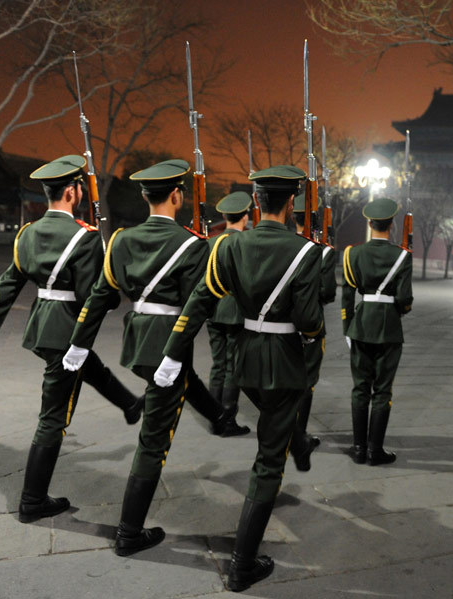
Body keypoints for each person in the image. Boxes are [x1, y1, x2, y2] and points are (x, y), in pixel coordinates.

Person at [154, 165, 321, 592]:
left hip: (244, 361)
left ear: (257, 201)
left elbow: (201, 299)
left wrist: (173, 352)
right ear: (290, 202)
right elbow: (308, 321)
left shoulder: (229, 248)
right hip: (283, 362)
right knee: (268, 460)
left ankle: (297, 441)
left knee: (275, 419)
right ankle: (242, 565)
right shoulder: (305, 252)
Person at [0, 155, 141, 524]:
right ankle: (32, 501)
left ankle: (129, 404)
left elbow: (10, 281)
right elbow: (93, 296)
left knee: (87, 367)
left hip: (42, 326)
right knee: (53, 418)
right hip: (66, 332)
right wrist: (109, 286)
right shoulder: (85, 237)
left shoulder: (27, 233)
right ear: (74, 192)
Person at [62, 159, 227, 556]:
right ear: (177, 195)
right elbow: (198, 308)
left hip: (137, 341)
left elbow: (102, 297)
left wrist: (79, 344)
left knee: (172, 399)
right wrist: (173, 353)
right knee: (154, 442)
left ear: (144, 196)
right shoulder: (192, 245)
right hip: (168, 345)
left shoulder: (120, 240)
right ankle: (129, 533)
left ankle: (219, 414)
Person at [341, 198, 413, 466]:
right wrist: (399, 310)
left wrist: (348, 327)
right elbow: (405, 298)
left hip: (360, 326)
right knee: (382, 391)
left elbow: (347, 296)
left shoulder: (352, 254)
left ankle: (359, 448)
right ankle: (375, 450)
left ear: (369, 224)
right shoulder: (403, 256)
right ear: (392, 225)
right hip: (390, 328)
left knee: (360, 388)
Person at [289, 189, 336, 461]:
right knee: (305, 384)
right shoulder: (323, 252)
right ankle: (300, 435)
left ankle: (282, 432)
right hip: (310, 327)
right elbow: (328, 292)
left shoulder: (281, 245)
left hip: (280, 326)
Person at [205, 192, 253, 437]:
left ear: (224, 217)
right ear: (245, 217)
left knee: (218, 365)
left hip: (213, 309)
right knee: (234, 368)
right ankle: (228, 420)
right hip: (236, 311)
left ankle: (214, 417)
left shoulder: (210, 242)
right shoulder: (246, 243)